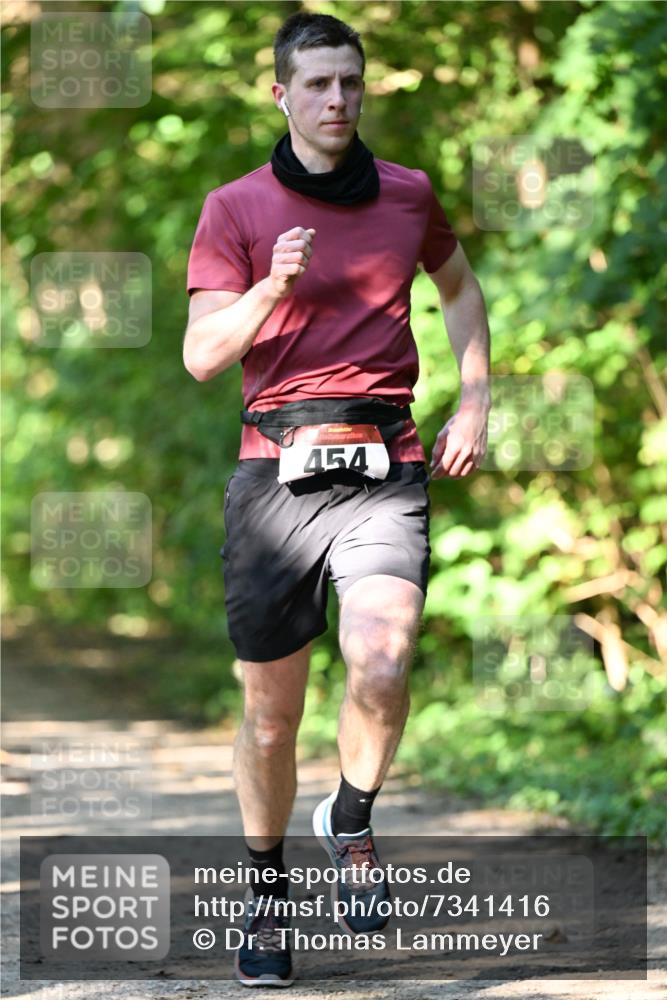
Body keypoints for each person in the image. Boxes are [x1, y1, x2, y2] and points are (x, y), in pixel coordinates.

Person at [184, 11, 490, 988]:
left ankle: (350, 816)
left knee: (386, 658)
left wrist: (475, 397)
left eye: (349, 83)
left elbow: (460, 289)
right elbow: (200, 357)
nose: (335, 100)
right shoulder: (233, 207)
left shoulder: (407, 195)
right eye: (315, 84)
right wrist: (269, 290)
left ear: (364, 89)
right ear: (281, 93)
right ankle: (266, 891)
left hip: (386, 460)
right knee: (270, 717)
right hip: (272, 476)